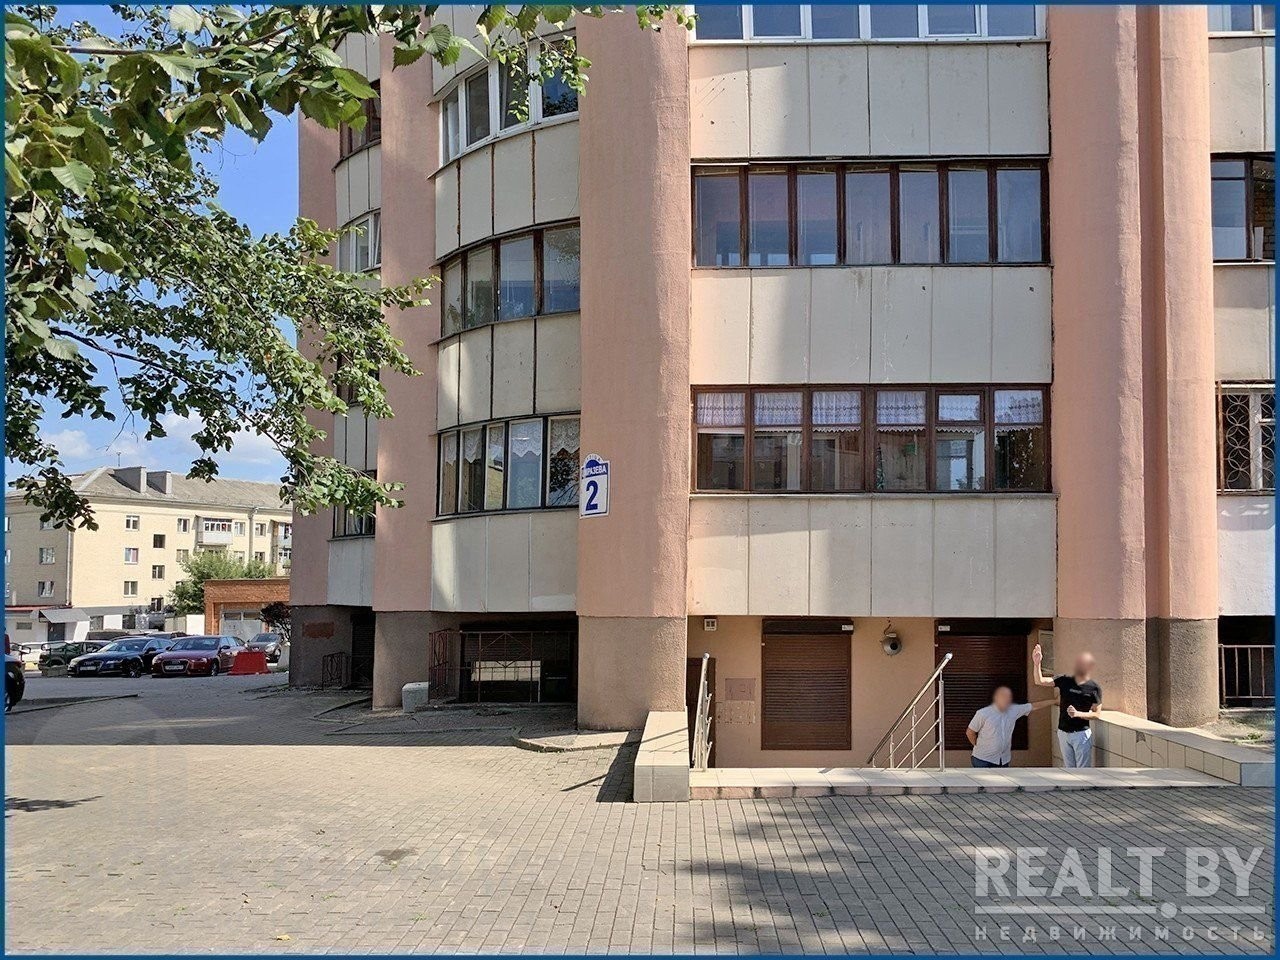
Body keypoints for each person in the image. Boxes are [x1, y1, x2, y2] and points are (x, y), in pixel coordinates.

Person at [1032, 643, 1103, 767]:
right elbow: (1040, 681)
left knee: (1082, 771)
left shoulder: (1094, 688)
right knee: (1069, 770)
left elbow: (1097, 714)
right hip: (1063, 732)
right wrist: (1037, 663)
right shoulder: (1065, 680)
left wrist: (1077, 714)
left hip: (1081, 734)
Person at [966, 686, 1050, 768]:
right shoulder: (983, 713)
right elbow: (970, 732)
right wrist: (977, 745)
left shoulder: (1014, 710)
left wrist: (1054, 701)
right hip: (982, 759)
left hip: (1003, 760)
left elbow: (1034, 706)